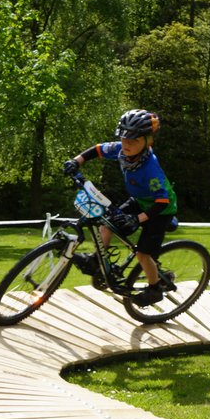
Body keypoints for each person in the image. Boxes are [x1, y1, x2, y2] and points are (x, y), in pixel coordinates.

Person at [63, 109, 177, 307]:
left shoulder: (150, 168)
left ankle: (155, 288)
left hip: (160, 211)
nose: (127, 145)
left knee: (143, 253)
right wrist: (76, 161)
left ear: (148, 142)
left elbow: (162, 202)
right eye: (124, 139)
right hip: (140, 200)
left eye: (133, 141)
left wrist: (137, 219)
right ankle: (97, 260)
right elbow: (98, 149)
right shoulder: (122, 149)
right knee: (107, 222)